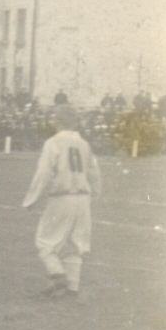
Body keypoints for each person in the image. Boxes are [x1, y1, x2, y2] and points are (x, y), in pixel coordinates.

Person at [21, 105, 101, 298]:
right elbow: (94, 173)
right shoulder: (84, 144)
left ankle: (58, 276)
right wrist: (95, 194)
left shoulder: (53, 143)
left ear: (56, 121)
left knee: (45, 241)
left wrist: (32, 198)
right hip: (82, 198)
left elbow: (44, 173)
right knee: (76, 243)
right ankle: (72, 287)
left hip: (62, 197)